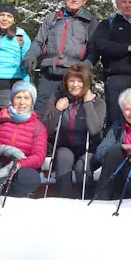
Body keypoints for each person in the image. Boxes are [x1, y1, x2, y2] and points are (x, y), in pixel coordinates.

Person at [24, 0, 99, 116]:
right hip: (49, 73)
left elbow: (94, 50)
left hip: (74, 75)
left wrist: (86, 66)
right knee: (42, 114)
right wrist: (31, 55)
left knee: (71, 117)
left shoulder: (90, 22)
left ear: (84, 1)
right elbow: (39, 41)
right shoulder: (52, 18)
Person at [42, 65, 105, 199]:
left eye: (80, 81)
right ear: (66, 82)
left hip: (89, 148)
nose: (75, 84)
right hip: (66, 146)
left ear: (86, 83)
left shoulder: (98, 103)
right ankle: (65, 201)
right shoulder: (57, 97)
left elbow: (94, 130)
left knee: (81, 167)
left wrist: (88, 104)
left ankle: (87, 200)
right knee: (63, 158)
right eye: (71, 81)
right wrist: (57, 109)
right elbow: (46, 130)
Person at [0, 4, 30, 109]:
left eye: (9, 16)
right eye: (2, 15)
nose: (5, 19)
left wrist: (26, 87)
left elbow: (27, 64)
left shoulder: (21, 37)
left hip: (10, 85)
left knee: (7, 119)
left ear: (14, 20)